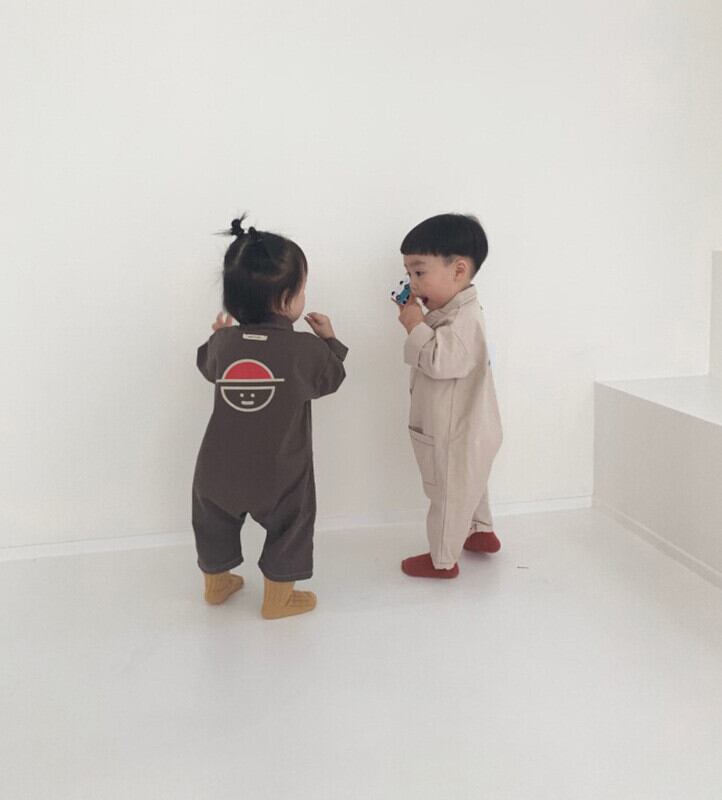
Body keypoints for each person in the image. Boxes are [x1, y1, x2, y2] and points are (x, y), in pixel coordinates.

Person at [192, 216, 348, 617]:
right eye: (302, 290)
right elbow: (332, 378)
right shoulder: (305, 350)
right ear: (285, 300)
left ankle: (216, 583)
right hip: (281, 472)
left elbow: (207, 367)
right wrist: (330, 341)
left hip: (216, 468)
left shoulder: (223, 344)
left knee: (212, 522)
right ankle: (278, 598)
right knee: (291, 525)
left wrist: (218, 336)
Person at [394, 213, 502, 578]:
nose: (412, 283)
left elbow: (441, 362)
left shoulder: (463, 321)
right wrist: (421, 319)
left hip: (456, 433)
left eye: (419, 272)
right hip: (473, 428)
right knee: (471, 482)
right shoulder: (455, 313)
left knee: (449, 493)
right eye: (409, 273)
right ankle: (481, 531)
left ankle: (442, 559)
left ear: (458, 271)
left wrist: (414, 325)